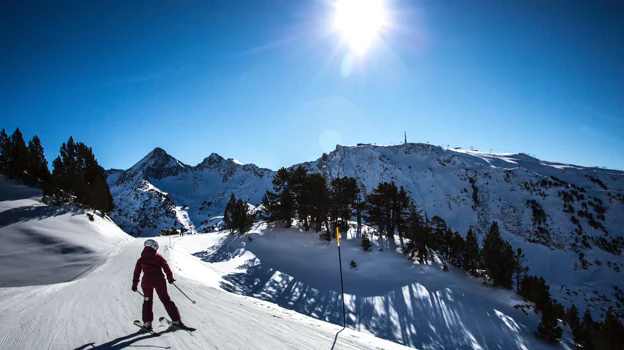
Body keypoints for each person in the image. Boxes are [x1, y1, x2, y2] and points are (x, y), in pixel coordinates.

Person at [132, 239, 184, 330]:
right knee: (166, 299)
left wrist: (134, 285)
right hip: (159, 281)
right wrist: (170, 278)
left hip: (146, 283)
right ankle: (176, 320)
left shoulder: (141, 259)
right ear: (154, 246)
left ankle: (147, 323)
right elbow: (166, 267)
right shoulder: (158, 257)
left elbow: (137, 273)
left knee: (147, 302)